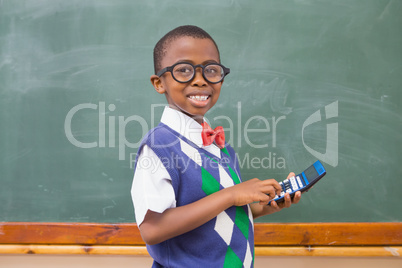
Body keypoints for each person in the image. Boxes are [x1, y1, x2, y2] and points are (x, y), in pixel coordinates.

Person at [131, 25, 301, 268]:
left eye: (211, 70)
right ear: (159, 83)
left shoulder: (220, 146)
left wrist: (258, 207)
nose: (200, 80)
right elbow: (152, 229)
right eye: (184, 70)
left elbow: (216, 215)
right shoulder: (158, 146)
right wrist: (232, 194)